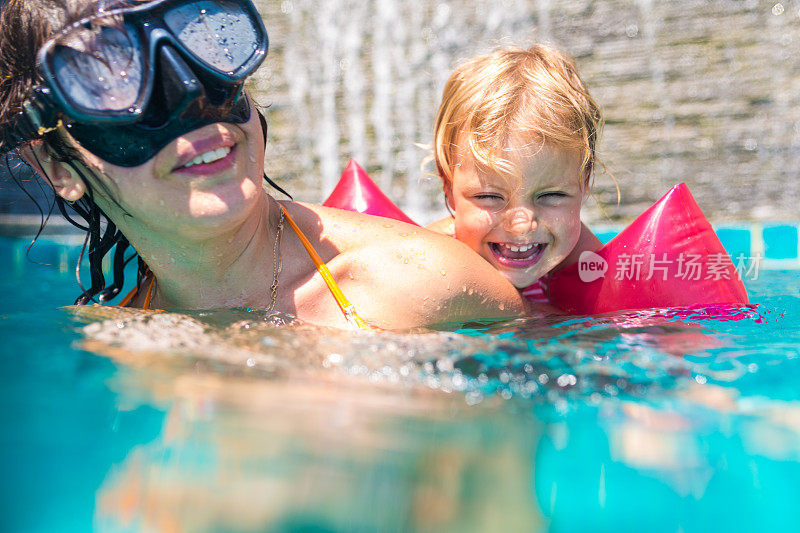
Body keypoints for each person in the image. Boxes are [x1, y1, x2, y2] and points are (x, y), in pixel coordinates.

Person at [0, 0, 526, 330]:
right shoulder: (122, 336)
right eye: (113, 84)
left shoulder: (422, 288)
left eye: (203, 46)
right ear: (56, 167)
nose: (191, 102)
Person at [427, 44, 605, 303]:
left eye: (551, 195)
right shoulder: (434, 255)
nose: (521, 225)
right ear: (449, 188)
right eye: (489, 196)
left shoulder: (586, 262)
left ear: (584, 184)